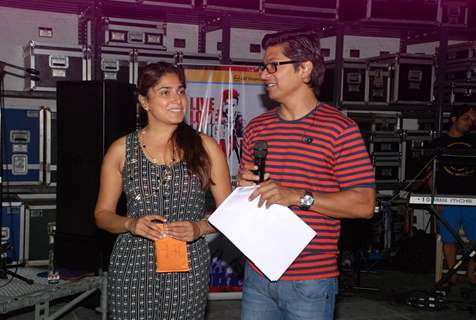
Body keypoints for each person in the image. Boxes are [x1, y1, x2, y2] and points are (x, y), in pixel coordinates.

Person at [237, 29, 376, 320]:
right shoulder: (256, 128)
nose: (264, 75)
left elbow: (363, 205)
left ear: (304, 69)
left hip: (310, 280)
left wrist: (298, 197)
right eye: (264, 67)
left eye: (274, 65)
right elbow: (247, 194)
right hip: (257, 275)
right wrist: (243, 188)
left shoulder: (339, 129)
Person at [94, 62, 232, 320]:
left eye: (180, 91)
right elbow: (102, 215)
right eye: (165, 92)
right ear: (144, 101)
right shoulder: (121, 150)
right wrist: (130, 223)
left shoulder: (206, 147)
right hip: (132, 264)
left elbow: (231, 214)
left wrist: (200, 227)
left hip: (188, 264)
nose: (177, 99)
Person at [428, 105, 476, 286]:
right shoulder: (439, 143)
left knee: (475, 239)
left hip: (473, 199)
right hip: (448, 198)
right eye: (466, 118)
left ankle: (471, 273)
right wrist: (436, 198)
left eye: (472, 121)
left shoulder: (474, 141)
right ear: (454, 119)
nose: (469, 123)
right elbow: (430, 176)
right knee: (449, 238)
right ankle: (452, 273)